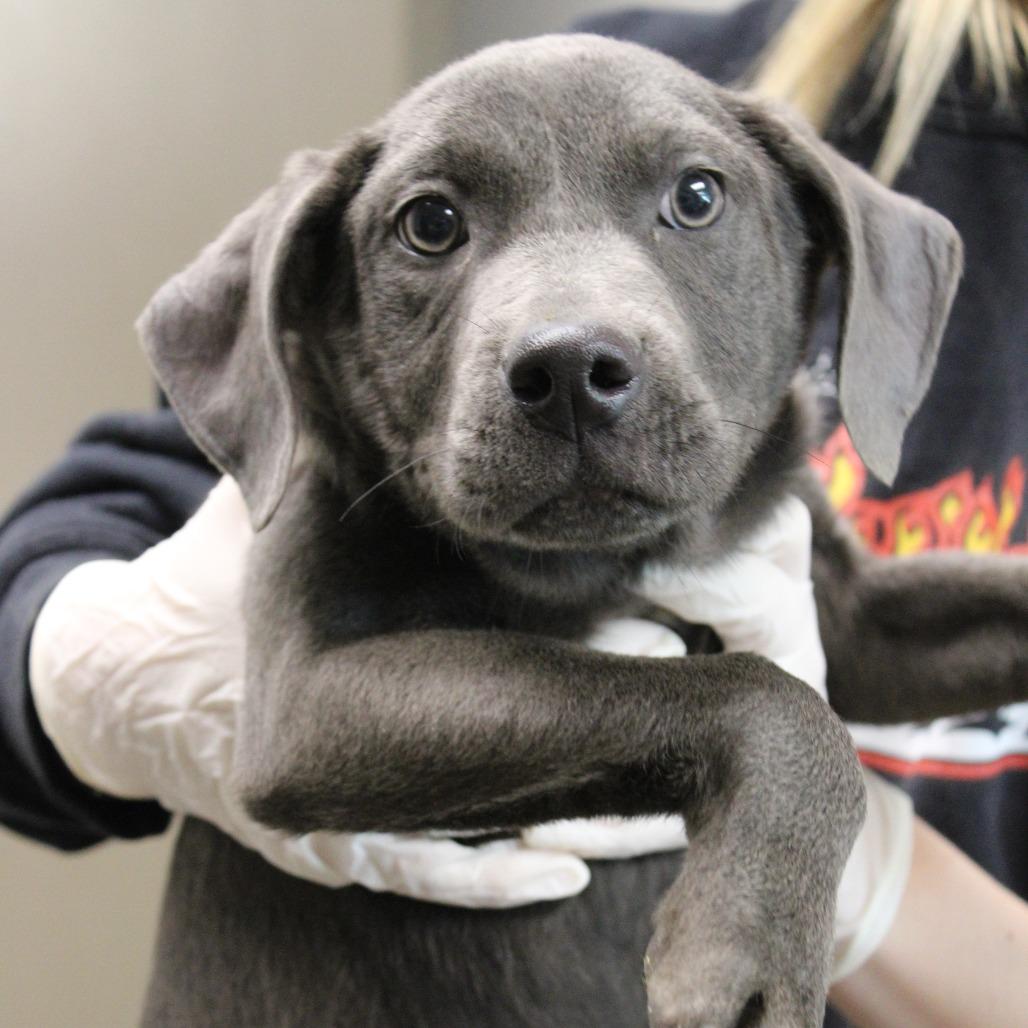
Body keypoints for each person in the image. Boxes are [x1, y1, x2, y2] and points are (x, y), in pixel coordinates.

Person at [1, 0, 1025, 1024]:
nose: (567, 332)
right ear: (309, 304)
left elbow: (861, 629)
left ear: (822, 254)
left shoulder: (754, 399)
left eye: (694, 199)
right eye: (431, 225)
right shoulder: (646, 70)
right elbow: (262, 697)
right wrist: (74, 669)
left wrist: (868, 871)